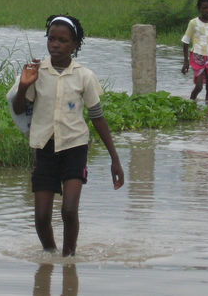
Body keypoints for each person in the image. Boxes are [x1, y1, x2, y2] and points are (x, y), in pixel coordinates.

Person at [12, 14, 124, 256]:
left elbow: (97, 117)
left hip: (75, 148)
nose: (55, 44)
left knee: (69, 210)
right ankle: (51, 255)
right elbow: (20, 108)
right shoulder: (37, 72)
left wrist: (114, 158)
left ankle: (69, 258)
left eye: (63, 40)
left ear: (75, 45)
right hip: (45, 148)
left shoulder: (84, 76)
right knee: (41, 217)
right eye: (51, 39)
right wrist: (23, 85)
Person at [181, 0, 208, 101]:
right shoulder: (193, 23)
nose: (207, 10)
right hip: (197, 57)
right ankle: (191, 103)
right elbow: (185, 41)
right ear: (199, 9)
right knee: (199, 86)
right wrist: (186, 61)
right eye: (204, 8)